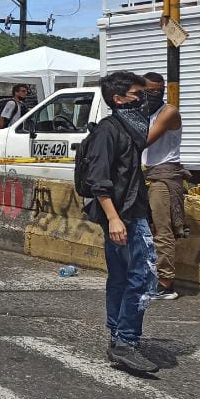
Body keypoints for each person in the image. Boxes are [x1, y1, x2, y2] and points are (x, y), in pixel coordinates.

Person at [83, 71, 158, 374]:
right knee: (142, 278)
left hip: (133, 212)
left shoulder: (129, 130)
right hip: (123, 216)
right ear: (118, 99)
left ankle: (119, 337)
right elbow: (98, 180)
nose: (145, 98)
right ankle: (126, 339)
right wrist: (114, 219)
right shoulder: (108, 131)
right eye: (138, 94)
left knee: (122, 277)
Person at [142, 71, 187, 301]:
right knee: (147, 229)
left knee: (162, 230)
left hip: (165, 175)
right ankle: (152, 276)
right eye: (148, 91)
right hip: (148, 173)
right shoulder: (144, 112)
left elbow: (145, 139)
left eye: (157, 91)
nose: (153, 95)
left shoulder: (168, 112)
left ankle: (166, 283)